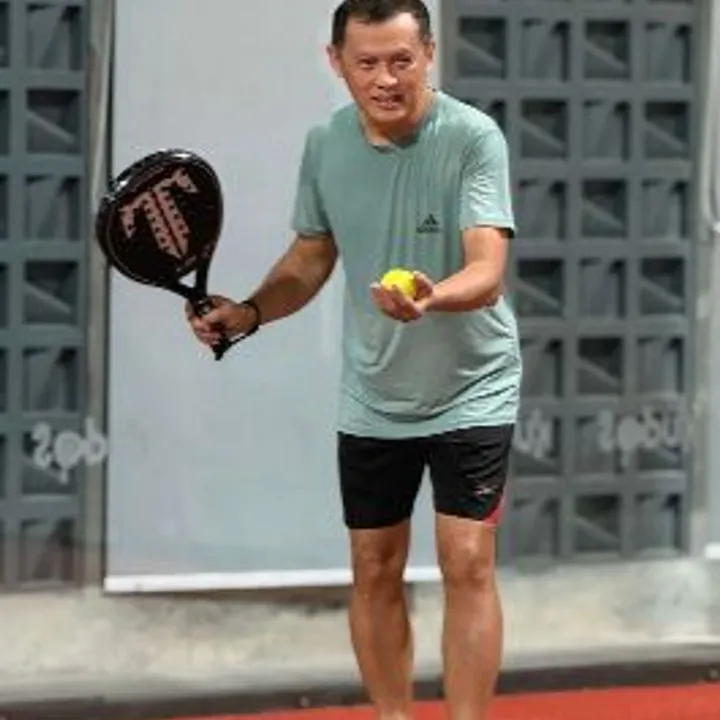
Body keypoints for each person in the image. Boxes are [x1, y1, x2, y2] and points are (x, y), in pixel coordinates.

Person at [188, 1, 521, 718]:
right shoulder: (326, 144)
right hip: (374, 391)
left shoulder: (473, 137)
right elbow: (311, 258)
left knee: (467, 559)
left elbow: (487, 270)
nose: (385, 79)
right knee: (374, 566)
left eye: (401, 60)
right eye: (367, 63)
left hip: (474, 385)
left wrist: (431, 297)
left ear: (429, 54)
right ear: (335, 62)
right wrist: (247, 313)